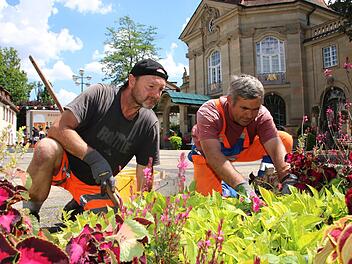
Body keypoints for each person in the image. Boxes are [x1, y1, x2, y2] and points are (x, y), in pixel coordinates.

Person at [24, 58, 168, 220]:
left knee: (109, 225)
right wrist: (94, 159)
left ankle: (77, 205)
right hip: (64, 165)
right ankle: (29, 214)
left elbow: (145, 172)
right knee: (46, 148)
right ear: (132, 80)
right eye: (151, 87)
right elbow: (58, 128)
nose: (156, 95)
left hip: (96, 185)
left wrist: (145, 210)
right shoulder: (100, 95)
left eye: (161, 90)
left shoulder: (149, 124)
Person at [189, 74, 293, 197]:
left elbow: (274, 144)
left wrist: (287, 177)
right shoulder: (209, 112)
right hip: (208, 154)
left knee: (284, 139)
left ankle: (264, 184)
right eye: (244, 108)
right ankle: (229, 187)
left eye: (255, 109)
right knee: (207, 199)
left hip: (239, 150)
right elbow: (213, 155)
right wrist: (242, 186)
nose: (249, 115)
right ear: (229, 101)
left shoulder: (262, 114)